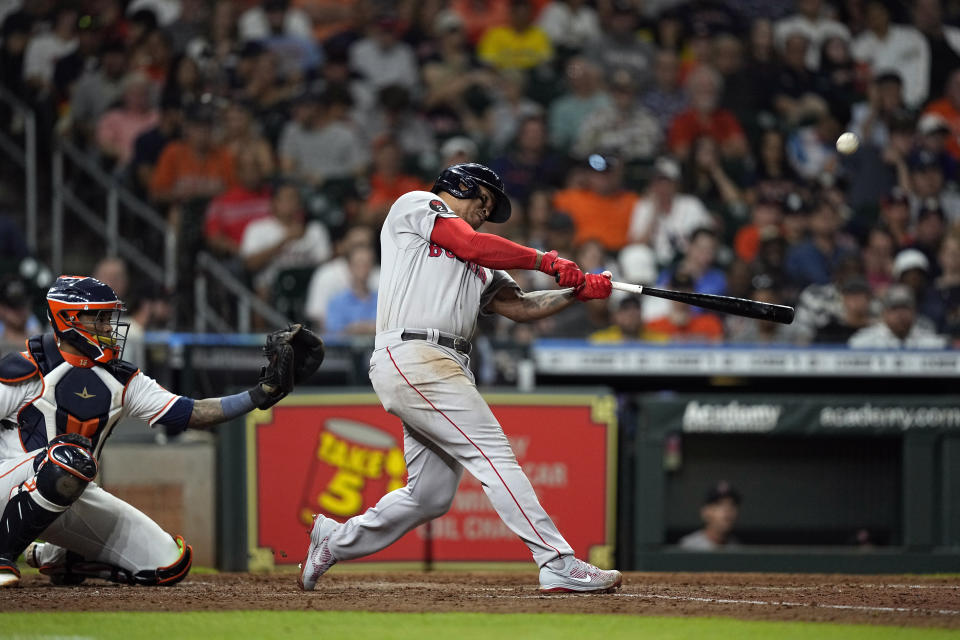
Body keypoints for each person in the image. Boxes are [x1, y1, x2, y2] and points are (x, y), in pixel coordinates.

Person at [297, 163, 622, 594]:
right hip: (414, 352)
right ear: (460, 186)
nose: (484, 211)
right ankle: (556, 559)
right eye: (482, 200)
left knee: (428, 496)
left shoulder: (483, 262)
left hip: (446, 362)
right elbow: (469, 243)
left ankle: (334, 542)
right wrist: (546, 260)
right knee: (494, 454)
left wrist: (575, 291)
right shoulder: (415, 206)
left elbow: (521, 306)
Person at [0, 276, 324, 587]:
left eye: (108, 319)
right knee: (68, 459)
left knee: (169, 564)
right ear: (68, 319)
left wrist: (261, 393)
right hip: (8, 487)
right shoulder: (27, 368)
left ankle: (61, 557)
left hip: (70, 493)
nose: (108, 328)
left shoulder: (121, 379)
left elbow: (192, 412)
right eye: (97, 319)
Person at [848, 284, 947, 348]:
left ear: (914, 312)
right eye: (895, 309)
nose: (901, 314)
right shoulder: (864, 342)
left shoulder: (931, 342)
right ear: (884, 313)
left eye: (905, 308)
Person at [678, 481, 742, 551]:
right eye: (719, 504)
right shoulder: (689, 547)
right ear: (705, 512)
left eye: (732, 505)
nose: (727, 510)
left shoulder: (736, 548)